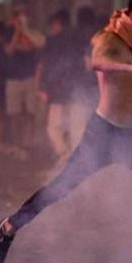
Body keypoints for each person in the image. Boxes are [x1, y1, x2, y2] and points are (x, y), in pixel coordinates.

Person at [0, 0, 132, 263]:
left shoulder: (130, 38)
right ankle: (9, 227)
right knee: (60, 188)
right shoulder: (108, 39)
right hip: (102, 135)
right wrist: (129, 67)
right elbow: (97, 62)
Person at [36, 9, 82, 162]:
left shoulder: (52, 42)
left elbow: (47, 67)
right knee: (72, 127)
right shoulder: (77, 41)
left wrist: (43, 88)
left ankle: (65, 156)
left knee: (53, 128)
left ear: (58, 24)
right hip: (74, 92)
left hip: (58, 92)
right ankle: (72, 158)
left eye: (53, 24)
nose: (51, 27)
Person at [2, 7, 45, 155]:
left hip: (29, 77)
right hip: (13, 78)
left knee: (30, 112)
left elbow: (36, 46)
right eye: (20, 15)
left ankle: (28, 144)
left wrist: (25, 32)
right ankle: (16, 144)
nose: (23, 18)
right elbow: (9, 50)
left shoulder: (34, 32)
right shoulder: (9, 31)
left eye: (25, 15)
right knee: (14, 113)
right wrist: (17, 32)